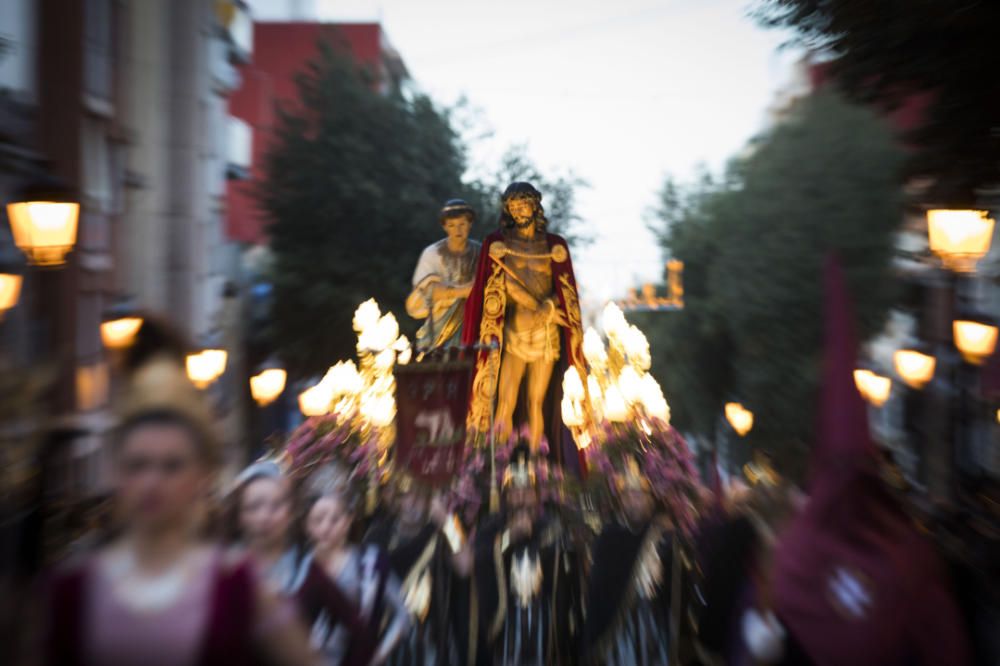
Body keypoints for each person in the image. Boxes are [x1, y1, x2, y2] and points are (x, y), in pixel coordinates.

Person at [35, 357, 319, 666]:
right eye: (138, 465)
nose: (152, 482)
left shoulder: (236, 586)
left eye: (172, 466)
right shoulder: (73, 588)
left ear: (200, 476)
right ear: (117, 472)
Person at [462, 182, 587, 461]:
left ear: (535, 205)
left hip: (547, 335)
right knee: (506, 400)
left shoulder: (554, 246)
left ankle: (537, 466)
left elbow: (565, 289)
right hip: (515, 332)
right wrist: (538, 305)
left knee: (537, 402)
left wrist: (551, 305)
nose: (518, 211)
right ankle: (498, 463)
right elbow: (501, 284)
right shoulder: (500, 244)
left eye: (523, 204)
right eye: (513, 207)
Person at [228, 460, 373, 665]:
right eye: (254, 507)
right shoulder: (222, 571)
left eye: (276, 506)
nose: (264, 517)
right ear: (240, 515)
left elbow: (359, 632)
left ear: (290, 513)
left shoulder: (306, 572)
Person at [471, 444, 578, 665]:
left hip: (544, 632)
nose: (521, 499)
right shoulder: (490, 527)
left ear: (537, 496)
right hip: (504, 632)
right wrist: (509, 538)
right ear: (505, 497)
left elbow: (567, 578)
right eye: (515, 492)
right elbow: (478, 562)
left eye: (527, 492)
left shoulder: (552, 527)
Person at [363, 472, 473, 666]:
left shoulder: (441, 535)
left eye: (420, 496)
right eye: (406, 495)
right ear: (395, 498)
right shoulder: (377, 535)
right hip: (387, 639)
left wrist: (447, 522)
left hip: (429, 640)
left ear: (430, 501)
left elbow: (465, 566)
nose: (412, 503)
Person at [303, 469, 409, 665]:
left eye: (335, 519)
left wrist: (379, 654)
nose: (326, 528)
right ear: (308, 525)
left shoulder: (370, 563)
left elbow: (403, 615)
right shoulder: (300, 567)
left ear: (348, 521)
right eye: (318, 520)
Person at [580, 456, 676, 665]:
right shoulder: (609, 537)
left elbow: (675, 588)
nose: (634, 502)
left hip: (653, 628)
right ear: (621, 501)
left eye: (639, 496)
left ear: (650, 499)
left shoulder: (664, 536)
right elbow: (597, 591)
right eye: (628, 496)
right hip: (617, 636)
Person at [405, 199, 481, 354]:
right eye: (452, 225)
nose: (457, 230)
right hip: (440, 324)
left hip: (473, 322)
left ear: (470, 224)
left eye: (462, 224)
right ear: (444, 226)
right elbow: (426, 291)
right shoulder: (433, 253)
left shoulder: (480, 252)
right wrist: (463, 291)